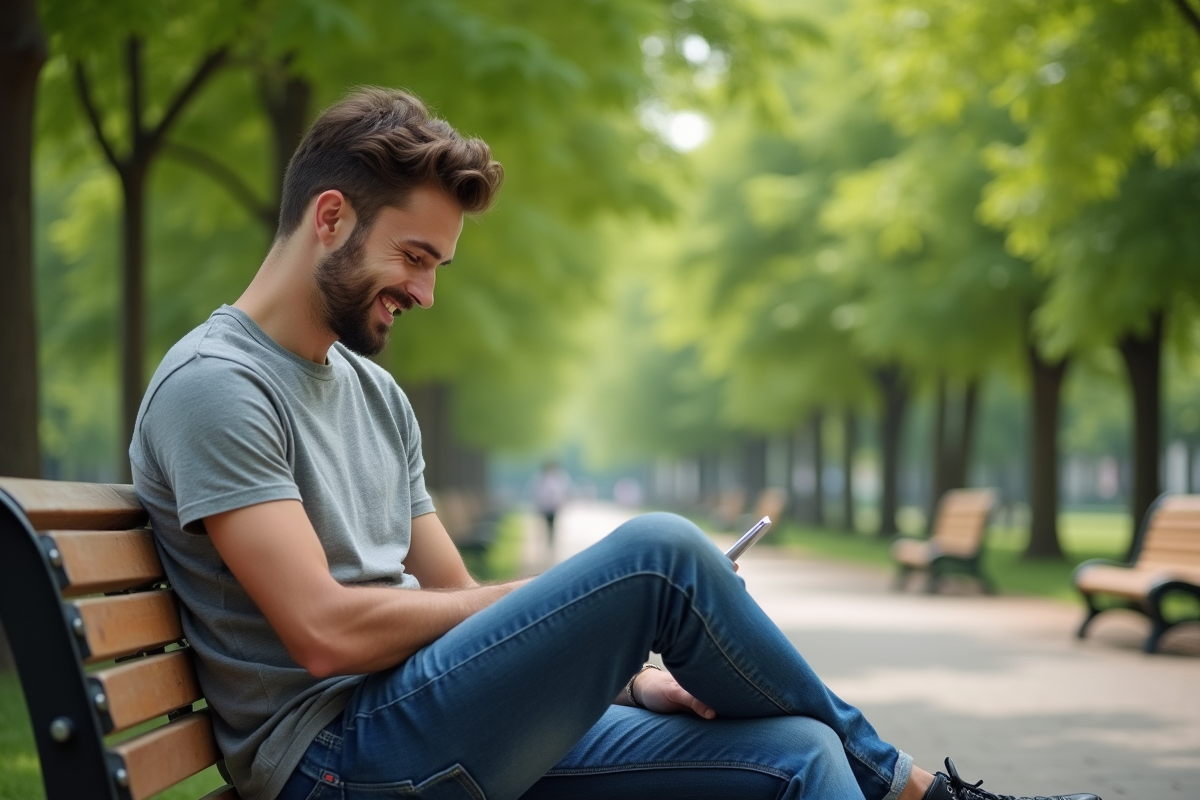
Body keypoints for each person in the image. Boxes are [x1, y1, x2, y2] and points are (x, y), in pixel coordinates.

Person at [130, 88, 1100, 800]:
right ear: (331, 216)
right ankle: (917, 789)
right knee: (659, 551)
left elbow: (457, 605)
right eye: (415, 256)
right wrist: (570, 595)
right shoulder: (218, 384)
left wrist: (627, 674)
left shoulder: (375, 394)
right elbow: (325, 632)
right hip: (339, 761)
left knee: (801, 753)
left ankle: (888, 780)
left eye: (438, 266)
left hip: (428, 721)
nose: (424, 292)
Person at [532, 460, 570, 547]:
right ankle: (546, 540)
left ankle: (550, 541)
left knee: (552, 524)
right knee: (544, 524)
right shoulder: (541, 478)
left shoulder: (559, 478)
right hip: (545, 506)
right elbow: (537, 492)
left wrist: (561, 503)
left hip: (553, 507)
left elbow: (563, 492)